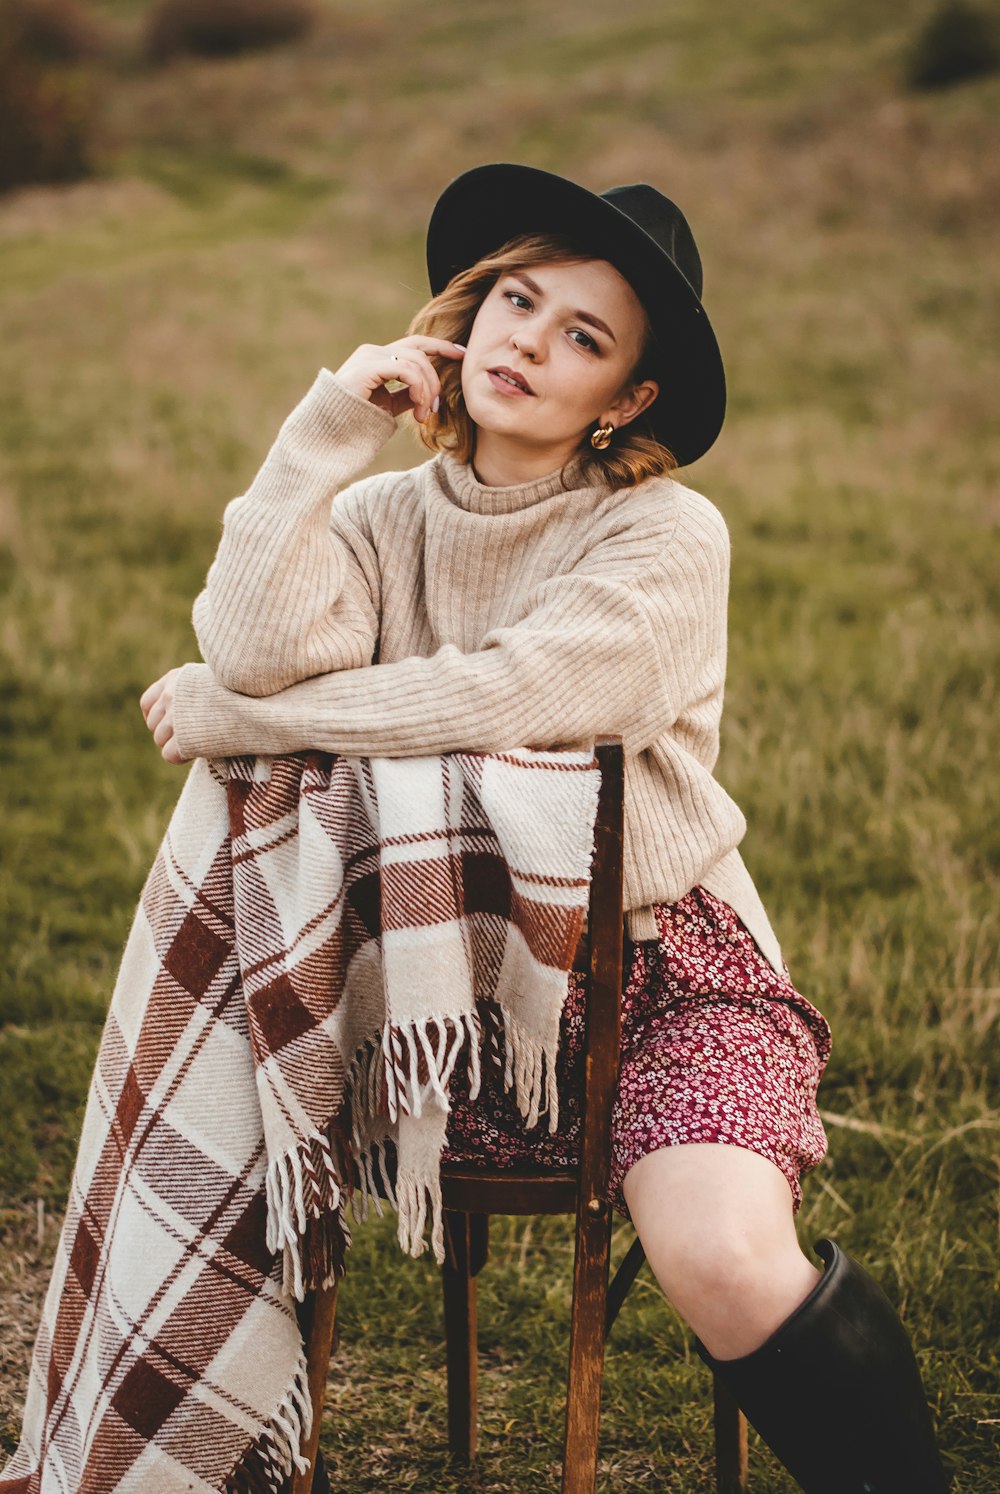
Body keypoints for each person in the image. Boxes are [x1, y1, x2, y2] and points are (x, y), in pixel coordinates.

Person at [140, 163, 948, 1493]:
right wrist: (324, 431)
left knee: (724, 1261)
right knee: (221, 1152)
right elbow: (251, 639)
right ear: (467, 312)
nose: (526, 339)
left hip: (662, 972)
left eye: (583, 335)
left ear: (627, 398)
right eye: (517, 300)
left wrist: (248, 718)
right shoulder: (384, 517)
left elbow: (508, 694)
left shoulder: (666, 536)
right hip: (433, 981)